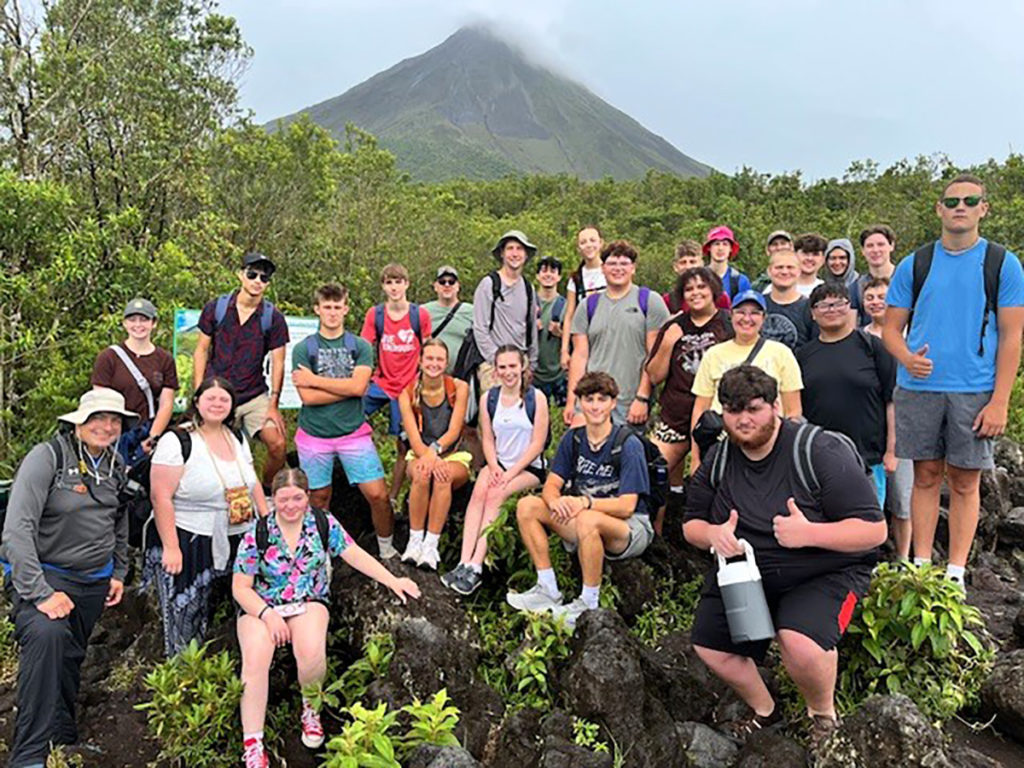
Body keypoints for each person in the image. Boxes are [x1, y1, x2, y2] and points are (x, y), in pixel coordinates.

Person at [684, 365, 887, 752]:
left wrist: (809, 533)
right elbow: (691, 524)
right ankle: (766, 708)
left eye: (754, 409)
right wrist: (713, 534)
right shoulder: (720, 456)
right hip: (748, 574)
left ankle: (823, 716)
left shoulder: (818, 451)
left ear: (776, 406)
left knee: (799, 643)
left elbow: (874, 531)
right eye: (732, 410)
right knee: (710, 645)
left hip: (823, 570)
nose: (743, 420)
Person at [883, 173, 1024, 586]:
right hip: (919, 388)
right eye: (952, 201)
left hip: (975, 389)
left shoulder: (1003, 263)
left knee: (966, 480)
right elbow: (891, 330)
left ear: (984, 208)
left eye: (969, 200)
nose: (960, 207)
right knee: (925, 476)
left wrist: (1000, 400)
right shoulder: (916, 263)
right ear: (939, 210)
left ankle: (956, 572)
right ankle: (923, 566)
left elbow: (1013, 336)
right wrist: (907, 357)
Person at [233, 468, 420, 768]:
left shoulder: (322, 523)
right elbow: (240, 588)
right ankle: (253, 741)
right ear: (273, 499)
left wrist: (393, 580)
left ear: (307, 497)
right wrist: (268, 616)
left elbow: (353, 554)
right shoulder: (258, 533)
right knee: (256, 659)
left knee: (310, 651)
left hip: (307, 600)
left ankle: (311, 707)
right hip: (262, 605)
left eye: (297, 498)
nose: (291, 506)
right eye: (283, 500)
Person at [0, 389, 134, 768]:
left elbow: (118, 517)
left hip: (94, 580)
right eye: (98, 418)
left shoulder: (114, 464)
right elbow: (17, 531)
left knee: (71, 654)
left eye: (114, 420)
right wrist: (41, 593)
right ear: (78, 421)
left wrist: (119, 570)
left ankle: (62, 735)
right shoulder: (47, 459)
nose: (106, 427)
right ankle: (28, 755)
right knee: (47, 637)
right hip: (45, 576)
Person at [508, 372, 654, 628]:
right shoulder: (573, 439)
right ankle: (547, 588)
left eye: (602, 399)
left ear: (612, 402)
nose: (595, 406)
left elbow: (627, 505)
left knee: (587, 519)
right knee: (528, 506)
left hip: (629, 527)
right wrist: (555, 501)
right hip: (585, 520)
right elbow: (552, 484)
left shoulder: (628, 444)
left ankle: (589, 601)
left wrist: (585, 503)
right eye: (589, 399)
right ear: (580, 403)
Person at [148, 376, 270, 657]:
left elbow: (252, 484)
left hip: (237, 532)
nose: (217, 404)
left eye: (224, 399)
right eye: (210, 398)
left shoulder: (237, 437)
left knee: (237, 606)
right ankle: (182, 673)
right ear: (197, 402)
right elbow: (161, 496)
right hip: (188, 535)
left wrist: (267, 525)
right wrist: (171, 547)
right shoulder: (178, 439)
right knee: (186, 612)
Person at [292, 283, 395, 559]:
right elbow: (308, 398)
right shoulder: (304, 349)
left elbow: (359, 389)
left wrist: (315, 381)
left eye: (338, 307)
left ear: (346, 309)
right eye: (327, 307)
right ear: (317, 309)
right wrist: (346, 387)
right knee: (319, 498)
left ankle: (387, 551)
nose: (333, 312)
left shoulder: (359, 346)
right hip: (314, 434)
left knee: (378, 495)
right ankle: (319, 552)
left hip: (353, 433)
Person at [443, 345, 549, 595]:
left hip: (528, 467)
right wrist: (493, 466)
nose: (508, 372)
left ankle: (476, 567)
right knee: (478, 493)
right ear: (496, 371)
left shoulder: (536, 399)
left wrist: (510, 474)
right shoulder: (489, 398)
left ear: (522, 367)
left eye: (513, 366)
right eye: (503, 367)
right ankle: (463, 561)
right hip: (498, 462)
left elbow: (538, 443)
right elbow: (487, 439)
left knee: (495, 495)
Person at [647, 267, 734, 532]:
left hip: (716, 419)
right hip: (675, 415)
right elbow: (654, 375)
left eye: (701, 287)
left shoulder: (727, 324)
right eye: (689, 289)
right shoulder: (674, 326)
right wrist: (667, 344)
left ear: (713, 290)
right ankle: (656, 535)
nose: (695, 293)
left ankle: (711, 537)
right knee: (653, 470)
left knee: (717, 480)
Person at [193, 252, 289, 490]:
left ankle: (266, 488)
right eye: (252, 274)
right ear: (240, 274)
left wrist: (273, 405)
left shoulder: (272, 318)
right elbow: (201, 350)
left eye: (264, 277)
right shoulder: (217, 308)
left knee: (277, 444)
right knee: (212, 451)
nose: (257, 280)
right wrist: (199, 391)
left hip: (254, 393)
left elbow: (278, 361)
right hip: (218, 392)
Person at [798, 283, 896, 506]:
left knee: (869, 522)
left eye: (838, 303)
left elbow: (892, 401)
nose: (831, 309)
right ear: (813, 313)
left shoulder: (873, 346)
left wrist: (892, 450)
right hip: (819, 457)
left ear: (849, 307)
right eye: (823, 305)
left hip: (870, 456)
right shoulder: (803, 355)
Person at [690, 290, 803, 470]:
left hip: (767, 445)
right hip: (721, 444)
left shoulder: (781, 353)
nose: (747, 318)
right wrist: (696, 457)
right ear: (731, 315)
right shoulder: (714, 354)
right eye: (741, 312)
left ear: (764, 318)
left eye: (754, 313)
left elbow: (793, 410)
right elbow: (700, 409)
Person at [565, 239, 669, 431]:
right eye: (612, 263)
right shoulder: (588, 306)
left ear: (633, 268)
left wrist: (642, 397)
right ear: (603, 268)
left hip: (630, 402)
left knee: (627, 456)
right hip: (592, 401)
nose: (618, 268)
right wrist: (573, 401)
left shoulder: (649, 301)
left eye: (624, 263)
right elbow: (580, 356)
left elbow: (653, 356)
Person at [361, 263, 433, 512]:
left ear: (407, 284)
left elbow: (428, 349)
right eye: (389, 282)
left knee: (405, 443)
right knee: (350, 417)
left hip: (408, 386)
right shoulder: (376, 315)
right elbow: (364, 346)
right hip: (382, 383)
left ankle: (393, 494)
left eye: (398, 281)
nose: (394, 287)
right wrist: (360, 377)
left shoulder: (418, 315)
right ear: (383, 286)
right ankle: (363, 477)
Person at [398, 339, 472, 570]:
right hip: (420, 452)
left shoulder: (458, 388)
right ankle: (415, 539)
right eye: (429, 358)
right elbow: (413, 436)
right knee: (421, 474)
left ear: (446, 362)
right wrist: (428, 457)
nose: (434, 363)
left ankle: (431, 544)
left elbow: (453, 430)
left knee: (443, 476)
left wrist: (436, 453)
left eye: (439, 359)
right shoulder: (407, 392)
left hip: (452, 453)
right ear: (420, 361)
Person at [91, 298, 178, 468]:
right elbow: (99, 401)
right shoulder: (108, 357)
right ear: (124, 323)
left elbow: (167, 404)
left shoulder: (164, 359)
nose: (138, 325)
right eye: (132, 319)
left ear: (153, 323)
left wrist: (152, 438)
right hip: (114, 434)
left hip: (147, 431)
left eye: (144, 319)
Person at [862, 277, 914, 559]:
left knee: (902, 499)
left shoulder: (912, 335)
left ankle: (904, 559)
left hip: (907, 428)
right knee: (872, 500)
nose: (875, 301)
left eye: (881, 296)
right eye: (869, 297)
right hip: (870, 428)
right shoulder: (860, 337)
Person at [472, 230, 540, 391]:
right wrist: (497, 361)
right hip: (493, 364)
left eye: (519, 249)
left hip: (520, 364)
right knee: (494, 412)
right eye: (510, 248)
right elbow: (480, 328)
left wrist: (532, 363)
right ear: (502, 253)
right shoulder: (489, 284)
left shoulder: (528, 288)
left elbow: (531, 329)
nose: (515, 254)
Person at [560, 226, 606, 372]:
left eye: (593, 240)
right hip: (584, 341)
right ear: (578, 248)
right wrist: (564, 350)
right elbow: (569, 316)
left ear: (601, 243)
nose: (589, 245)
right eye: (583, 242)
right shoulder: (576, 279)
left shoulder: (611, 271)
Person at [761, 249, 816, 351]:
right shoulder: (758, 304)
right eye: (779, 267)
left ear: (799, 271)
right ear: (769, 271)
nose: (785, 272)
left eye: (790, 267)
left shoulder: (810, 308)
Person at [423, 265, 474, 373]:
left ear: (458, 286)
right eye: (442, 281)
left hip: (463, 375)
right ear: (435, 286)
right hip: (431, 373)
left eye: (451, 282)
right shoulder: (422, 312)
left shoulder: (472, 312)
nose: (447, 285)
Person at [534, 256, 569, 406]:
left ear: (559, 277)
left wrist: (560, 334)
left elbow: (577, 343)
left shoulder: (568, 306)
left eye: (553, 271)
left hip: (560, 376)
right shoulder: (528, 304)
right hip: (533, 375)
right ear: (537, 276)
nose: (548, 274)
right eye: (544, 271)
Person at [664, 240, 732, 313]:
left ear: (701, 264)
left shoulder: (719, 296)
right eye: (683, 262)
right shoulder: (668, 300)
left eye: (692, 262)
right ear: (675, 266)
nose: (688, 267)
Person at [853, 225, 897, 326]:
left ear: (891, 246)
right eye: (870, 246)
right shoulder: (856, 287)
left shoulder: (907, 280)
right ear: (863, 251)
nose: (875, 250)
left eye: (881, 244)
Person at [704, 225, 750, 300]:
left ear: (731, 249)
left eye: (725, 244)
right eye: (716, 244)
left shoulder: (740, 281)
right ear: (709, 248)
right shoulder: (699, 277)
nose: (720, 248)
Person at [823, 238, 861, 318]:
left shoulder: (860, 286)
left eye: (842, 258)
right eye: (833, 258)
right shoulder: (823, 287)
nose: (837, 263)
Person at [793, 233, 827, 298]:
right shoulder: (777, 289)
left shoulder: (829, 292)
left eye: (815, 254)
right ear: (794, 255)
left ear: (823, 259)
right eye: (805, 253)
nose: (810, 258)